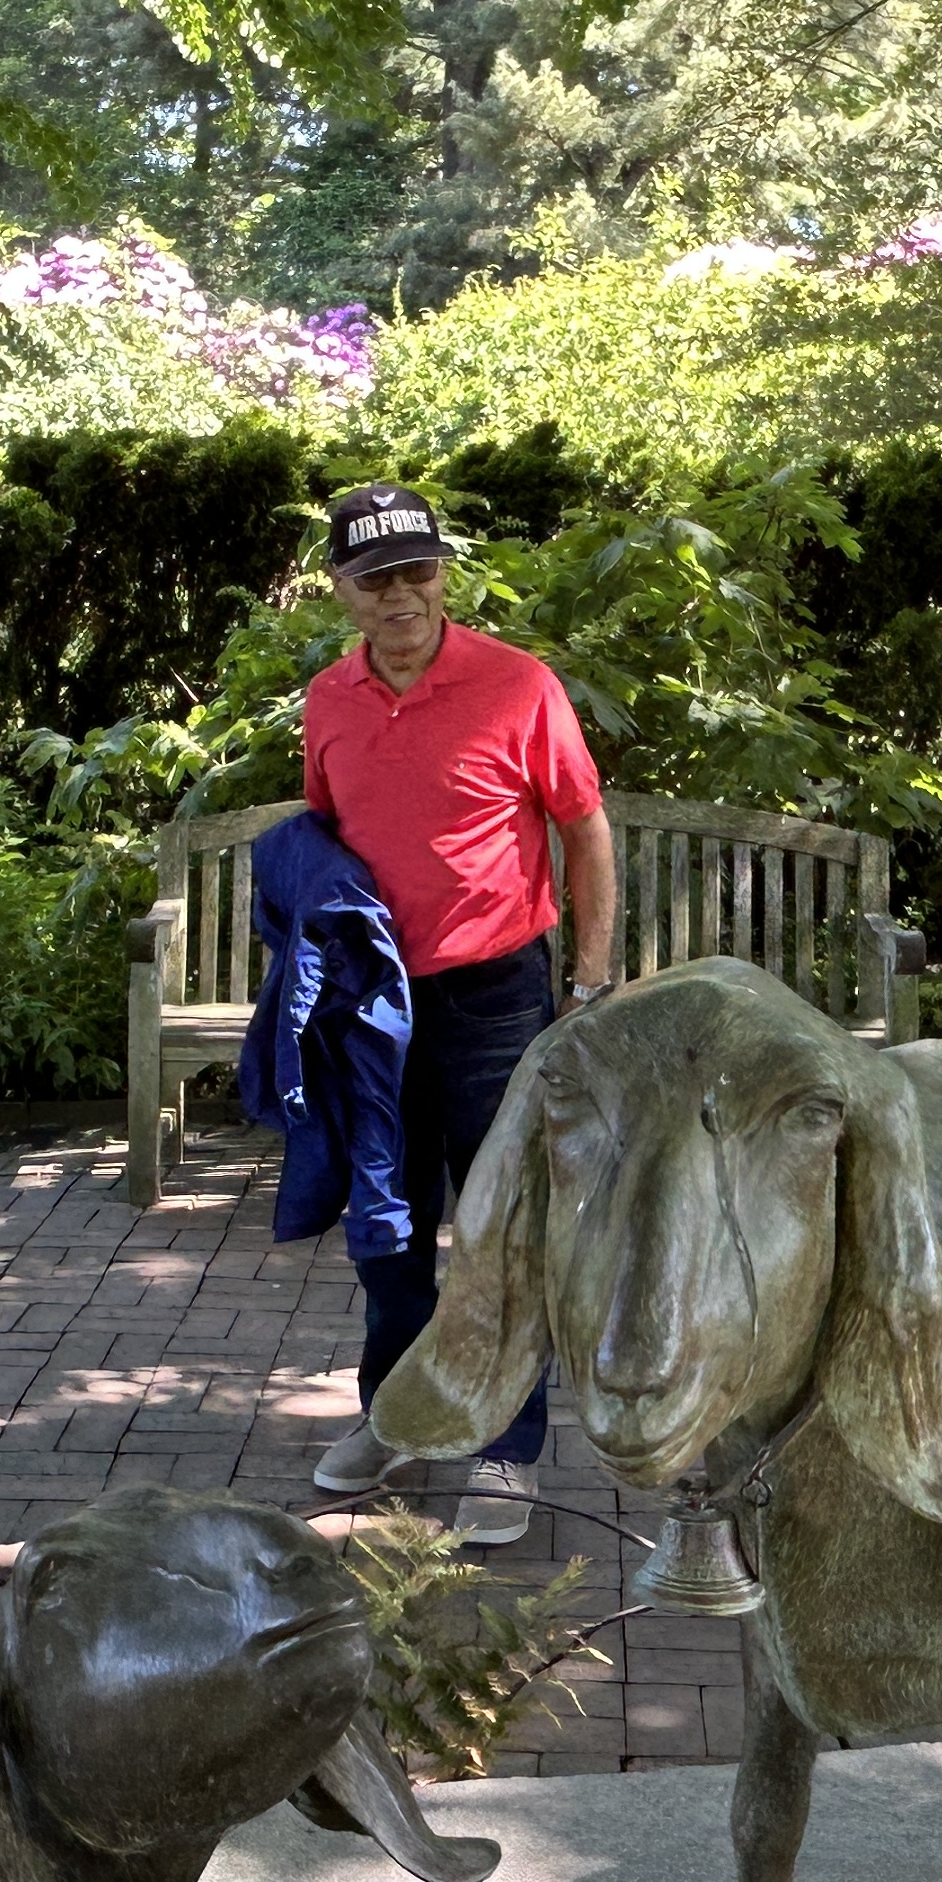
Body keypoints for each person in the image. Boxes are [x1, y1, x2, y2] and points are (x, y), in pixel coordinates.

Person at [298, 482, 617, 1543]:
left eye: (419, 571)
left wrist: (587, 983)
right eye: (375, 578)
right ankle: (396, 1417)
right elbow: (327, 837)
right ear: (341, 590)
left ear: (444, 574)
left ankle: (505, 1448)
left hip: (494, 996)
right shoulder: (329, 700)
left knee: (501, 1232)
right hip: (373, 1003)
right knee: (386, 1229)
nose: (401, 595)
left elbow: (585, 829)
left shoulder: (518, 685)